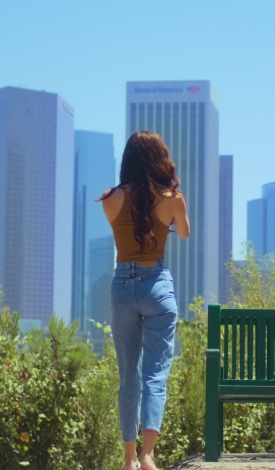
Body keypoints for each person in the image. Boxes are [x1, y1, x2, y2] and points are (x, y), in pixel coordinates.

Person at [98, 131, 190, 470]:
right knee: (155, 375)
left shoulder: (110, 198)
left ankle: (129, 459)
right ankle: (149, 455)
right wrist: (168, 212)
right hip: (156, 286)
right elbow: (183, 232)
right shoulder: (172, 197)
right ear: (159, 159)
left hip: (122, 285)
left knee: (129, 376)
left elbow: (122, 225)